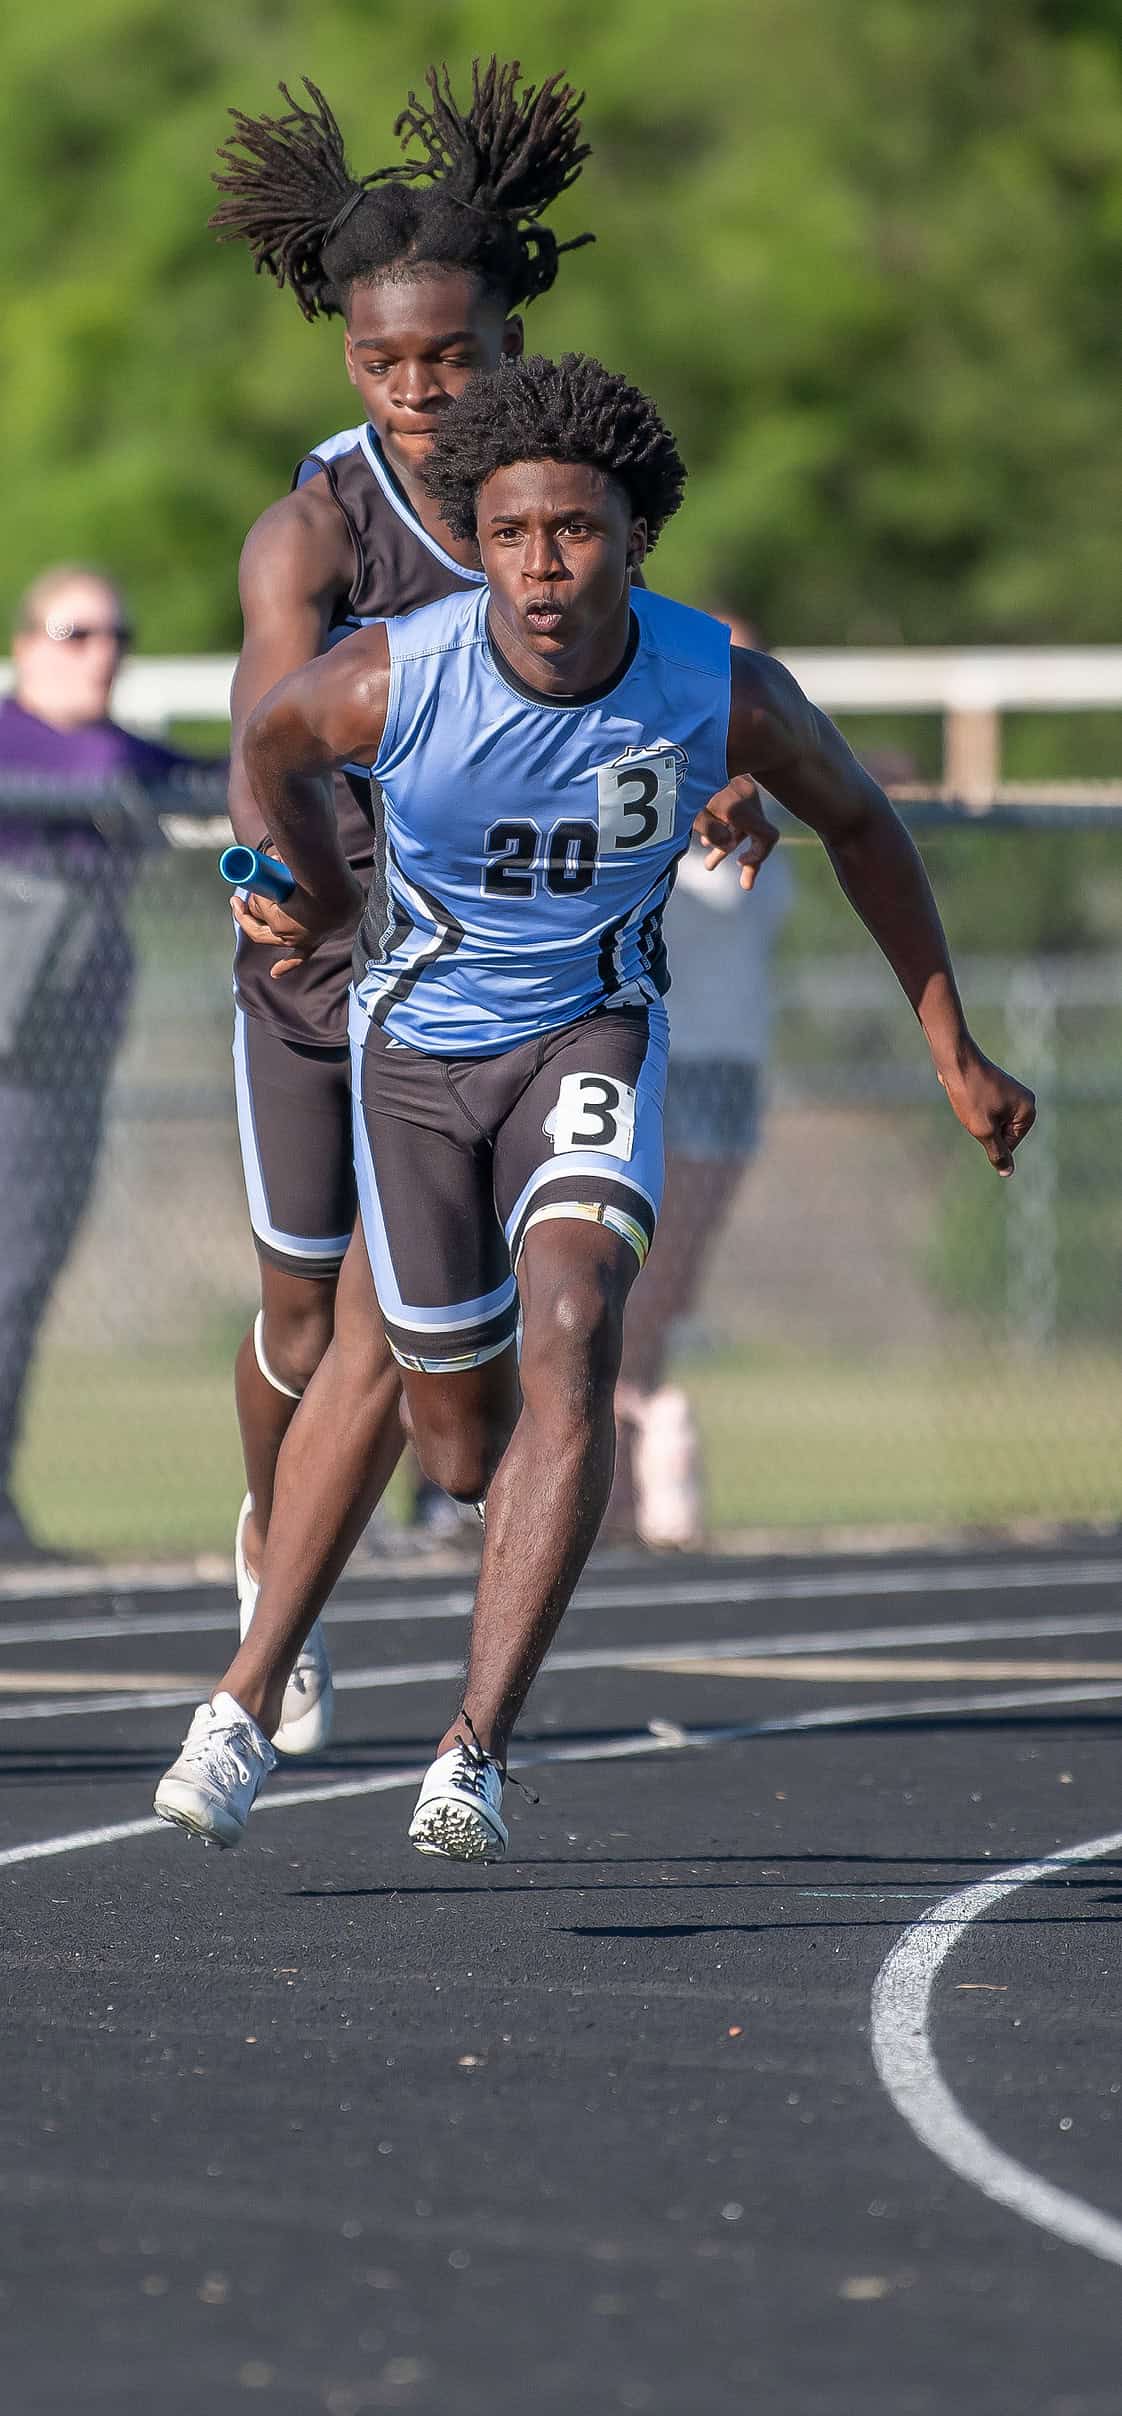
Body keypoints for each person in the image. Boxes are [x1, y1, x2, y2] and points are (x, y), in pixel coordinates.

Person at [154, 352, 1034, 1861]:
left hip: (590, 1038)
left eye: (575, 531)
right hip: (418, 1058)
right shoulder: (393, 675)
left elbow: (862, 822)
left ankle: (465, 1747)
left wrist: (951, 1046)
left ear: (634, 536)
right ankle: (252, 1676)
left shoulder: (716, 685)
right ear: (474, 538)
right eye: (510, 535)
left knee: (573, 1324)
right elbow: (269, 747)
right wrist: (301, 885)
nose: (543, 569)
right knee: (450, 1437)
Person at [210, 58, 765, 1738]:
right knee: (305, 1311)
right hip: (324, 950)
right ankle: (269, 1550)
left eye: (450, 356)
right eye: (383, 362)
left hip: (493, 980)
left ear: (514, 339)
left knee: (416, 1330)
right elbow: (267, 729)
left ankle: (347, 1599)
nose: (418, 391)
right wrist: (273, 878)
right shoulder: (312, 529)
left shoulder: (564, 501)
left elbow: (670, 686)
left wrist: (720, 789)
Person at [0, 566, 206, 1563]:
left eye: (116, 634)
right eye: (77, 633)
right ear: (29, 645)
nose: (103, 653)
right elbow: (97, 780)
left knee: (23, 1277)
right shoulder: (19, 742)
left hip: (55, 1072)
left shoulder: (118, 749)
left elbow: (222, 778)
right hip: (11, 1063)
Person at [608, 610, 792, 1546]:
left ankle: (633, 1434)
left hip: (731, 1060)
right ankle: (615, 1460)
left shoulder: (772, 782)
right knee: (633, 1274)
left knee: (672, 1286)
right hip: (655, 1049)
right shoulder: (648, 777)